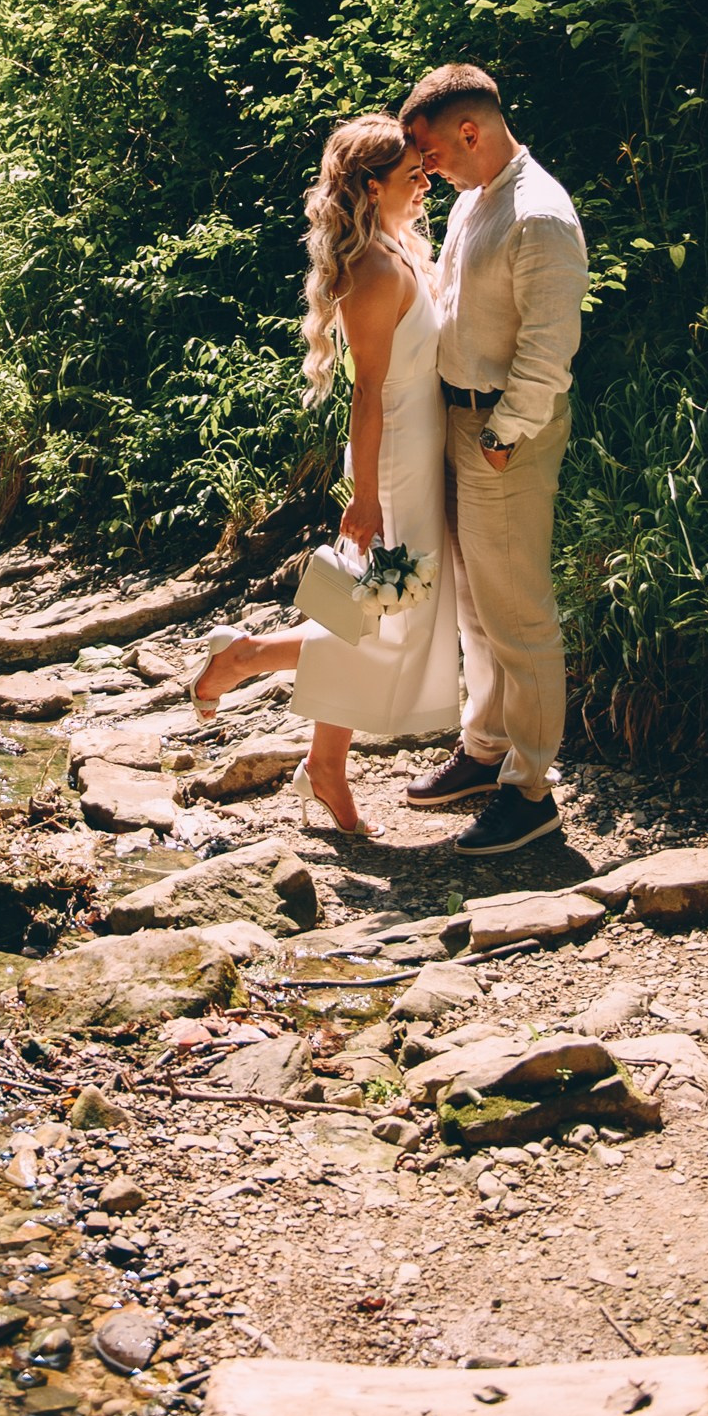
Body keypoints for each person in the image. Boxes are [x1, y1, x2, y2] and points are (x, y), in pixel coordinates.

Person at [189, 113, 456, 833]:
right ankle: (246, 659)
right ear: (371, 186)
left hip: (418, 451)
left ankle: (324, 766)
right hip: (395, 458)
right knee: (389, 617)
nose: (426, 181)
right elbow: (367, 393)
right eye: (411, 175)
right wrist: (367, 495)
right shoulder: (370, 271)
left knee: (370, 609)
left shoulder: (395, 245)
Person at [399, 62, 587, 854]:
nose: (423, 167)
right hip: (458, 421)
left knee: (520, 615)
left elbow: (549, 351)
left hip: (503, 436)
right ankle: (485, 750)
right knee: (475, 605)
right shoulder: (475, 198)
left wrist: (504, 437)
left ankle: (532, 790)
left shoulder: (539, 214)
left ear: (469, 132)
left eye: (429, 151)